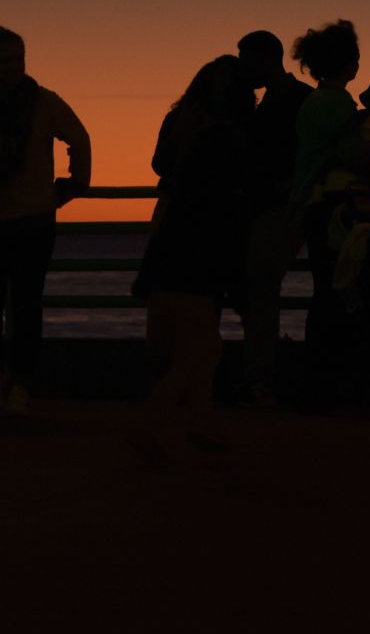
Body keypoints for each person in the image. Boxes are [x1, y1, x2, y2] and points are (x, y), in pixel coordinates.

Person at [0, 21, 91, 414]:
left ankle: (22, 382)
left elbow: (79, 138)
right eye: (6, 60)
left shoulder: (44, 102)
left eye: (20, 58)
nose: (16, 66)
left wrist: (72, 185)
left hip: (32, 217)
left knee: (26, 303)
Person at [135, 55, 255, 466]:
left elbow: (160, 166)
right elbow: (232, 210)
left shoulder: (183, 123)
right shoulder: (231, 140)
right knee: (201, 347)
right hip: (205, 251)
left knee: (184, 343)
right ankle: (160, 418)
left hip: (173, 239)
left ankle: (199, 418)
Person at [287, 19, 365, 403]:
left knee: (325, 292)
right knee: (339, 290)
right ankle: (328, 381)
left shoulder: (313, 102)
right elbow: (351, 152)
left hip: (313, 203)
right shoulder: (337, 104)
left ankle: (317, 382)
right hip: (335, 204)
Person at [232, 30, 312, 406]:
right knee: (258, 290)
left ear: (266, 59)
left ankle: (259, 376)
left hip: (277, 207)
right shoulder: (290, 99)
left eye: (247, 59)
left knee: (259, 288)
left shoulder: (289, 101)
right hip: (271, 206)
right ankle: (260, 375)